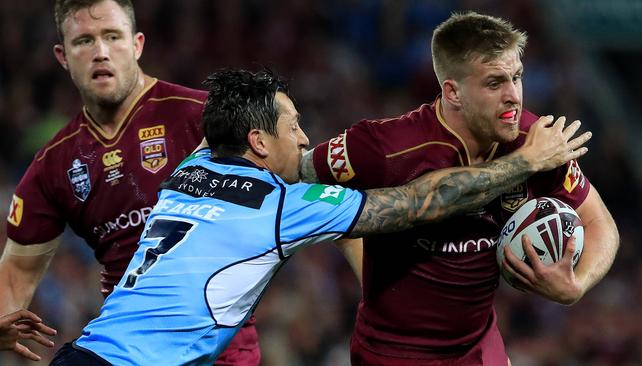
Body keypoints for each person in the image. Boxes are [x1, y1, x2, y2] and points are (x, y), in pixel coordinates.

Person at [49, 68, 589, 365]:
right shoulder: (280, 205)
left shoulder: (191, 167)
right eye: (294, 128)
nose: (305, 139)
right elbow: (416, 204)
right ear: (258, 141)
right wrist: (526, 162)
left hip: (87, 353)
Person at [300, 11, 619, 365]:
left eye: (517, 77)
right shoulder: (385, 146)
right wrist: (356, 250)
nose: (514, 96)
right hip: (391, 353)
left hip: (479, 349)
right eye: (495, 83)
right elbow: (299, 175)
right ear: (453, 91)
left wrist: (577, 285)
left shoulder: (537, 141)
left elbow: (599, 222)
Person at [0, 0, 259, 364]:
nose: (101, 52)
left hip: (218, 347)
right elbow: (15, 275)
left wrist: (369, 309)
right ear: (62, 55)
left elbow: (316, 187)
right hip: (126, 348)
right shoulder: (55, 163)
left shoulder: (202, 116)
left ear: (137, 44)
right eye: (84, 41)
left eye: (112, 37)